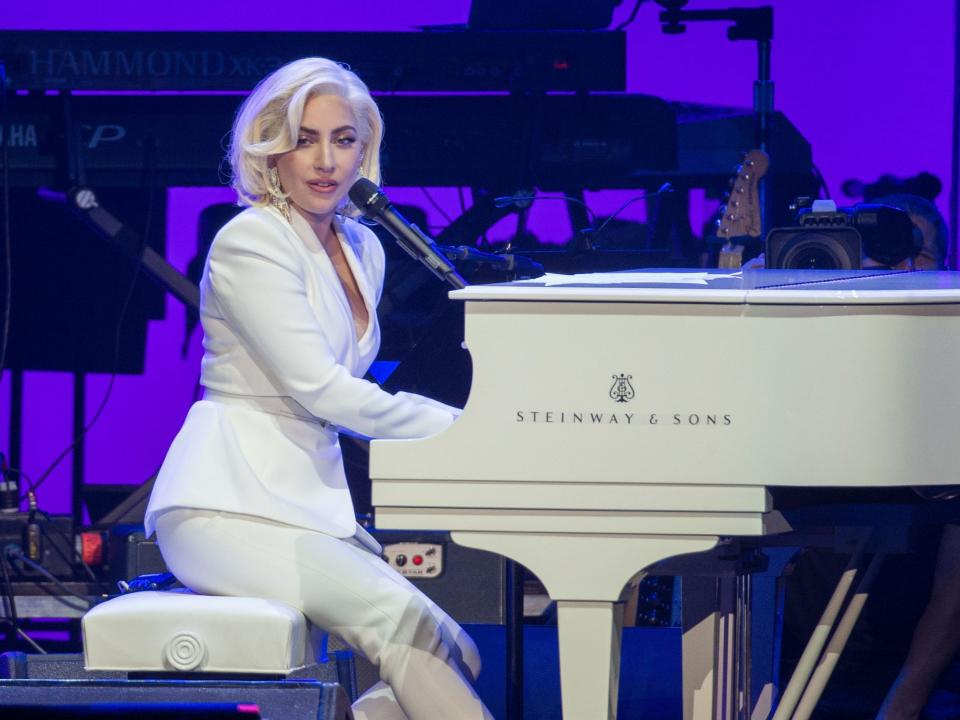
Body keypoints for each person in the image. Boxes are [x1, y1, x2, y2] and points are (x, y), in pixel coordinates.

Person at [143, 57, 493, 720]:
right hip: (227, 505)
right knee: (407, 627)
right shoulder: (251, 241)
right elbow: (323, 391)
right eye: (305, 139)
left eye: (344, 139)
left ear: (367, 149)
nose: (326, 160)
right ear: (272, 151)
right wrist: (463, 429)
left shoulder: (365, 247)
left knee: (455, 646)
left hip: (304, 500)